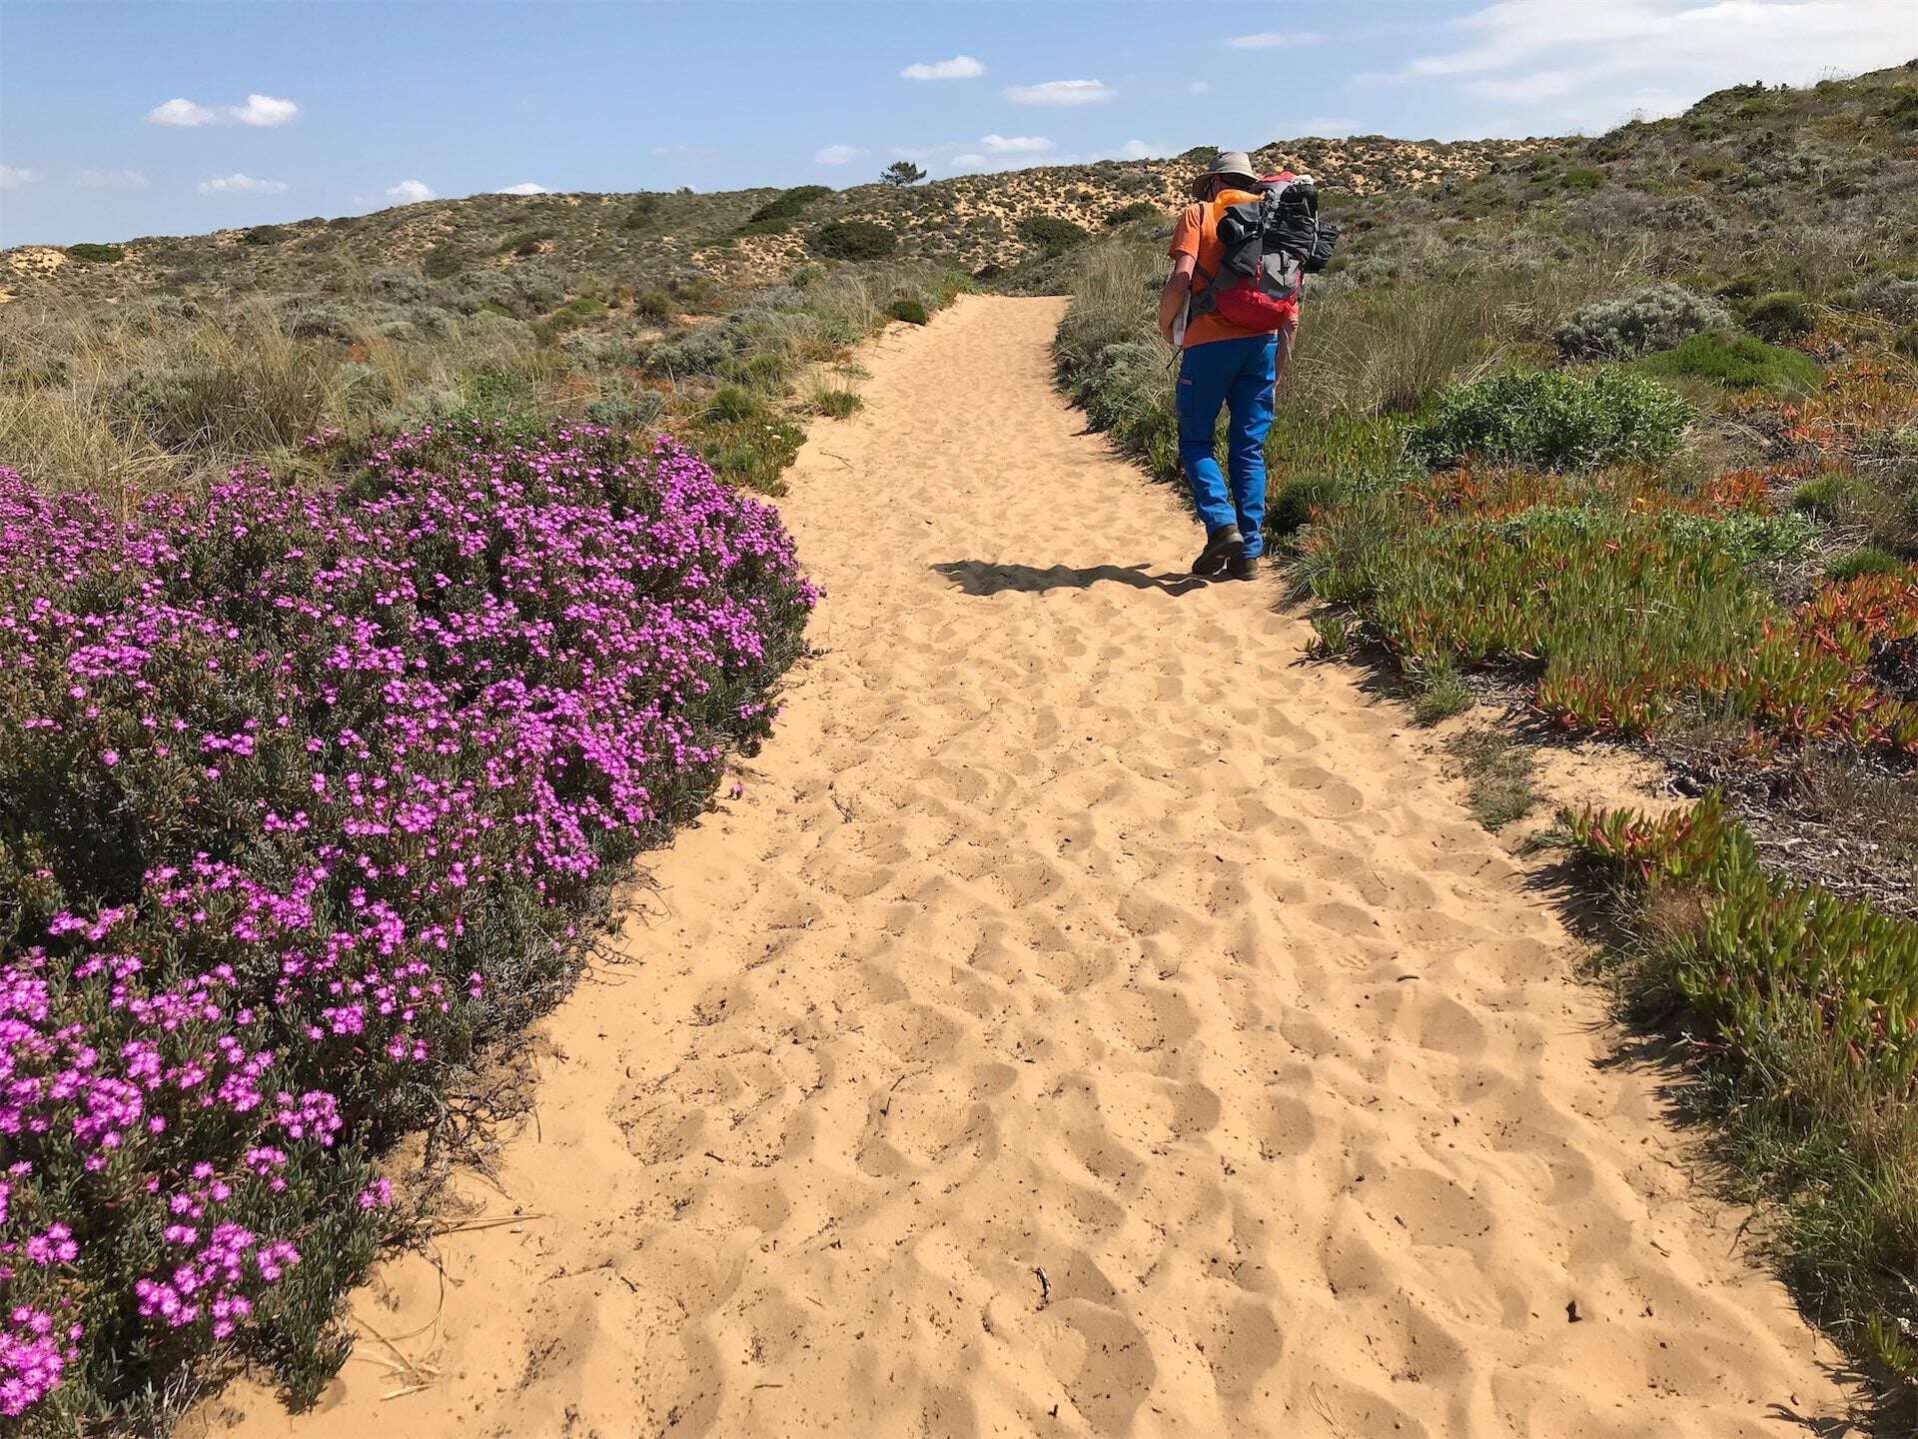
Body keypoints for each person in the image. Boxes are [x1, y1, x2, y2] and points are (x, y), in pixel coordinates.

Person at [1158, 150, 1300, 581]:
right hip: (1262, 343)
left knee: (1197, 440)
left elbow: (1182, 277)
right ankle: (1249, 554)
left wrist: (1167, 326)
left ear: (1214, 183)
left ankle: (1222, 526)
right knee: (1248, 448)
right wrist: (1281, 356)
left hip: (1208, 345)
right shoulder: (1276, 218)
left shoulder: (1198, 214)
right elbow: (1291, 298)